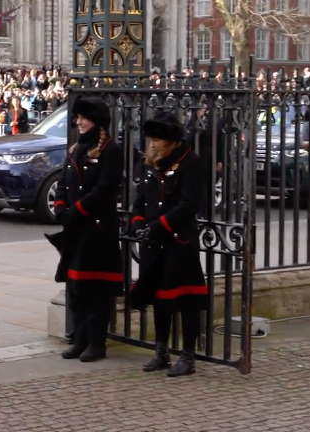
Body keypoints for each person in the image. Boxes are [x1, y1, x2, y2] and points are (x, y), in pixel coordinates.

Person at [130, 111, 207, 377]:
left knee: (186, 301)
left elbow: (189, 204)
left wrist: (159, 227)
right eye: (151, 137)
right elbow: (141, 199)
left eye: (158, 138)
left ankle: (188, 356)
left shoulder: (191, 162)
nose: (152, 143)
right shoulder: (150, 163)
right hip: (153, 242)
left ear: (171, 140)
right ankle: (161, 351)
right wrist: (138, 224)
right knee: (159, 299)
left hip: (178, 241)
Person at [51, 96, 124, 362]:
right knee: (78, 289)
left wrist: (77, 211)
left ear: (97, 121)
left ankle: (96, 343)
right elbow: (63, 181)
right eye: (78, 117)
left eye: (83, 118)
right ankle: (80, 339)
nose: (78, 122)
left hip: (97, 229)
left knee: (96, 291)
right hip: (76, 230)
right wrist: (60, 207)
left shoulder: (111, 151)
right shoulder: (75, 149)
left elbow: (104, 189)